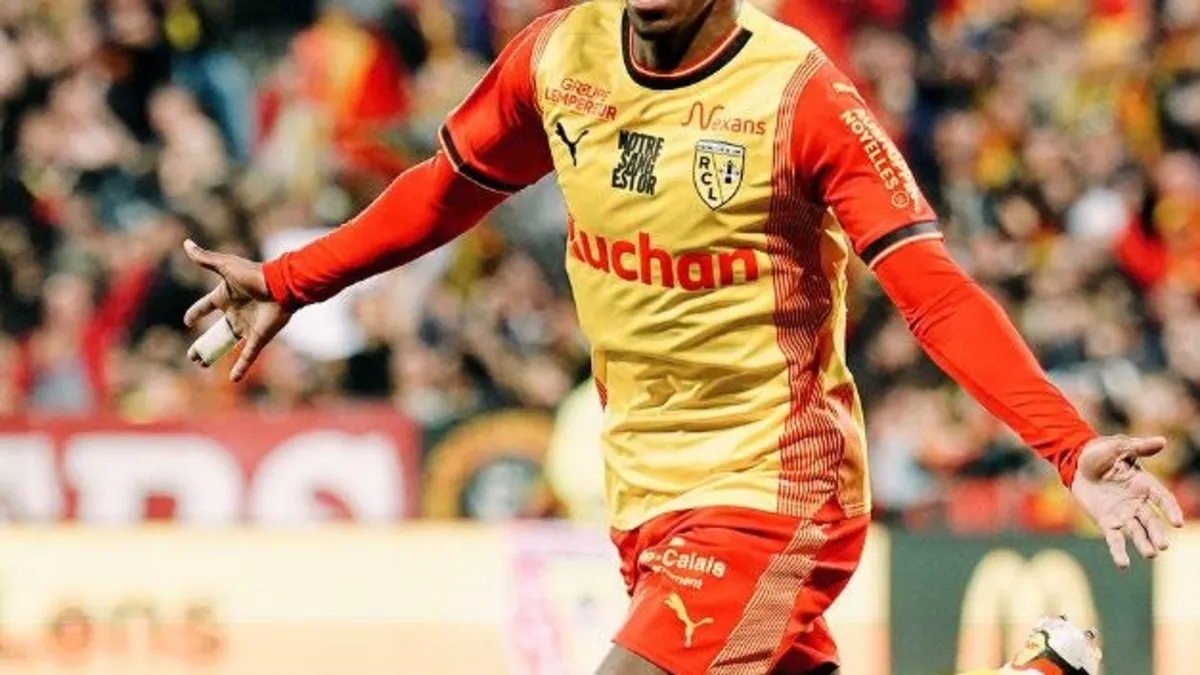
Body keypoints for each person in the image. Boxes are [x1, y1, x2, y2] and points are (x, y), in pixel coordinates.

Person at [180, 1, 1184, 673]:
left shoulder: (802, 97)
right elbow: (450, 187)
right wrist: (293, 280)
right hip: (646, 492)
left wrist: (1067, 443)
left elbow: (935, 293)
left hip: (774, 490)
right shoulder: (558, 56)